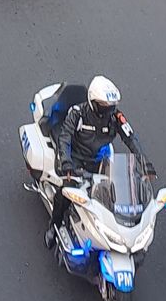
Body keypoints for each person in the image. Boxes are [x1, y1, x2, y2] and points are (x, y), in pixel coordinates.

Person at [45, 76, 154, 248]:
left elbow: (131, 139)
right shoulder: (77, 113)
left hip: (100, 161)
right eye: (104, 106)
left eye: (111, 106)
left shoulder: (116, 117)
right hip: (76, 160)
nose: (108, 110)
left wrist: (145, 163)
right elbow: (65, 137)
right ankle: (54, 225)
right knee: (66, 191)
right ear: (93, 102)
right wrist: (66, 163)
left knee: (115, 194)